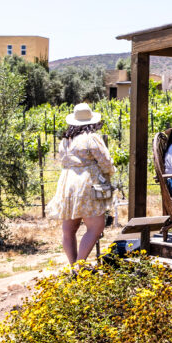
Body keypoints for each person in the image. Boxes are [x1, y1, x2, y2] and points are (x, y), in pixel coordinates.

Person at [47, 103, 117, 266]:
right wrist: (109, 171)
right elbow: (105, 161)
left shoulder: (66, 140)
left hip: (67, 182)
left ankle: (73, 266)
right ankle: (80, 265)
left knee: (69, 229)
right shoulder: (91, 137)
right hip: (86, 182)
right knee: (95, 226)